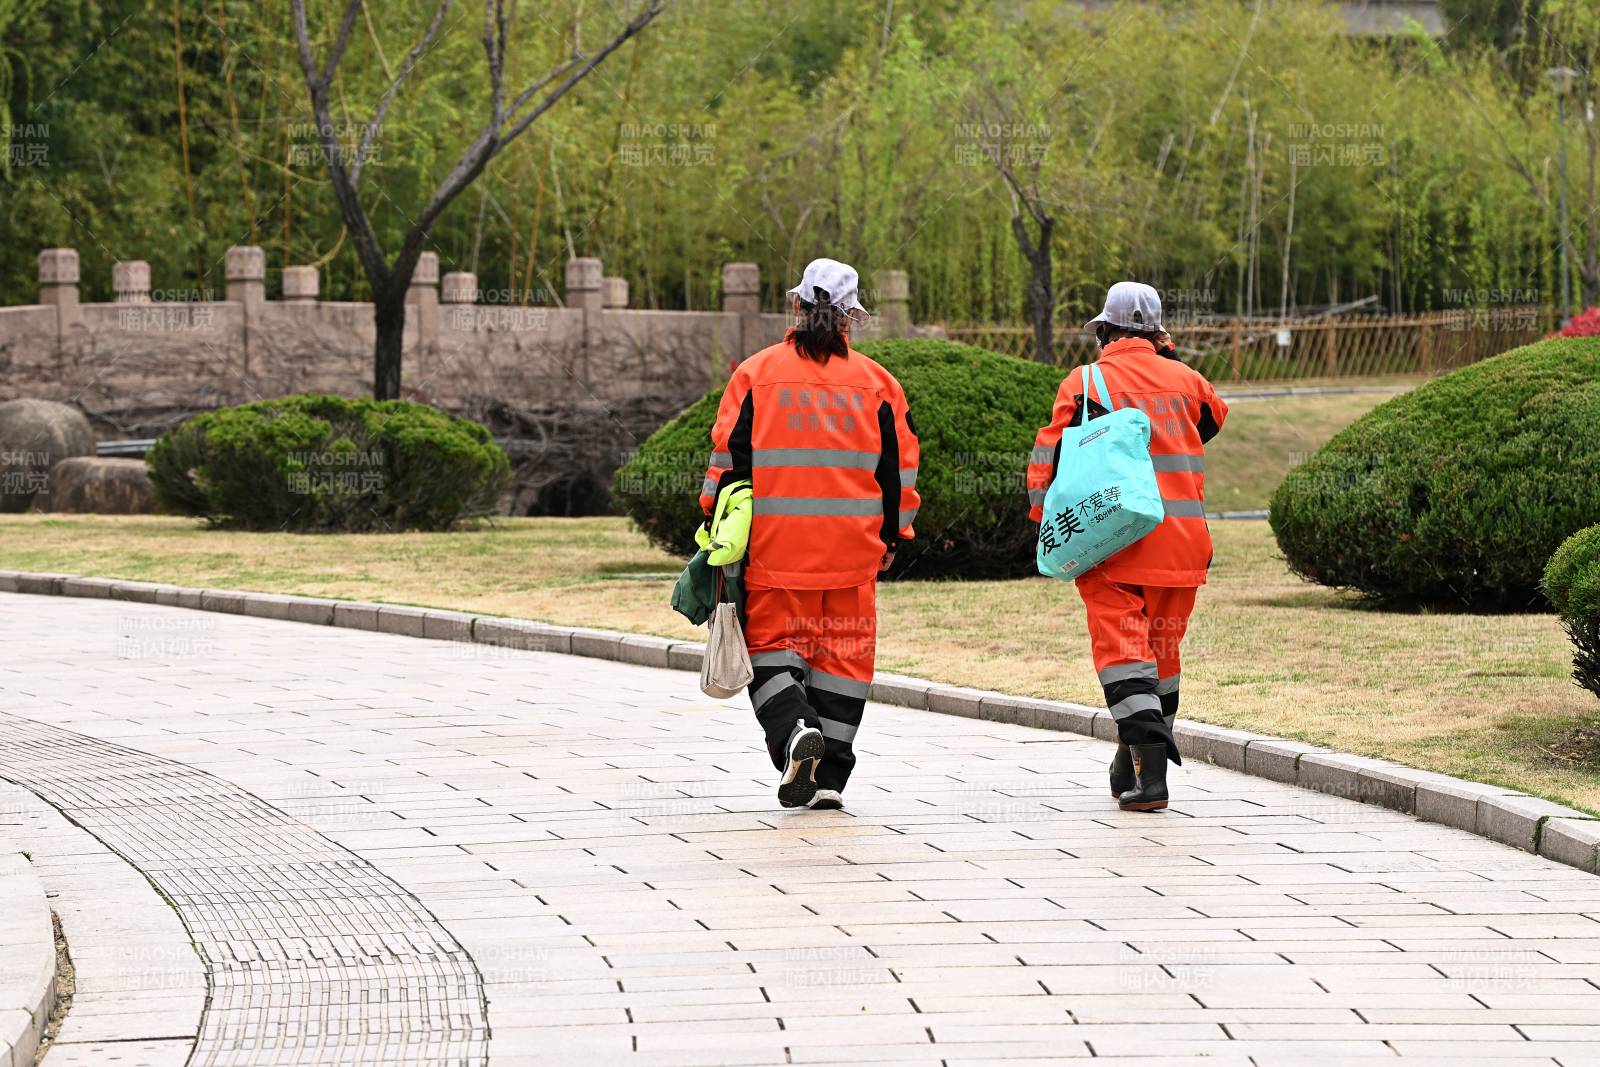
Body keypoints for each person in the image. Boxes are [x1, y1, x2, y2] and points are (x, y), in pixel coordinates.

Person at [699, 258, 920, 810]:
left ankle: (795, 730)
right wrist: (894, 536)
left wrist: (712, 522)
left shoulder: (755, 374)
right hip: (854, 553)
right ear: (851, 317)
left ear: (797, 304)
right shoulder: (879, 385)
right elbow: (899, 470)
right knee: (843, 662)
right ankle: (829, 781)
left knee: (772, 649)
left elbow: (727, 462)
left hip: (776, 550)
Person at [1026, 282, 1228, 811]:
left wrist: (1043, 520)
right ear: (1158, 333)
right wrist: (1167, 358)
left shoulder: (1085, 381)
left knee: (1124, 657)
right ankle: (1134, 763)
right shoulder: (1189, 381)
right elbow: (1213, 419)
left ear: (1105, 332)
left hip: (1111, 543)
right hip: (1182, 546)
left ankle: (1152, 779)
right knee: (1160, 658)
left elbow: (1047, 459)